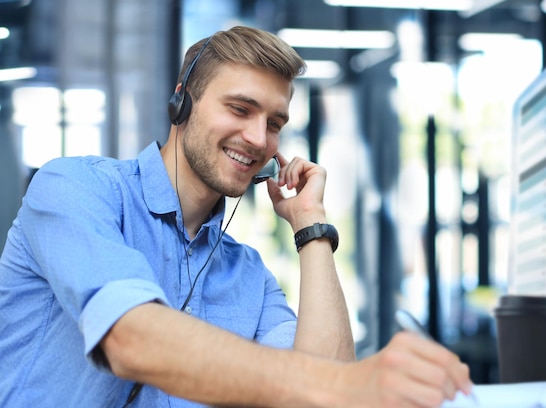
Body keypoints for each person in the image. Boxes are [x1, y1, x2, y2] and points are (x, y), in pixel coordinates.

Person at [0, 25, 473, 407]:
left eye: (274, 123)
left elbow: (323, 394)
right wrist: (345, 387)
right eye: (239, 109)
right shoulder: (74, 190)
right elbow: (129, 338)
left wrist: (311, 225)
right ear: (181, 102)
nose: (258, 137)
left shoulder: (247, 274)